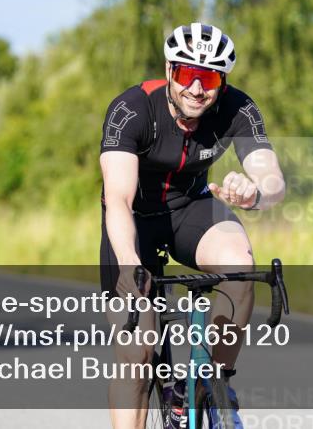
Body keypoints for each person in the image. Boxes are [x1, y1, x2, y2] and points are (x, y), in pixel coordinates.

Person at [99, 22, 286, 429]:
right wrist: (129, 262)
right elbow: (118, 199)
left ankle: (214, 384)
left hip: (190, 208)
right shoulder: (132, 109)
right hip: (134, 221)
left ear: (223, 82)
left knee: (240, 267)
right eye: (187, 74)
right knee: (137, 354)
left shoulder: (237, 108)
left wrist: (256, 193)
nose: (197, 89)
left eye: (210, 78)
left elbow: (272, 178)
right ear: (169, 70)